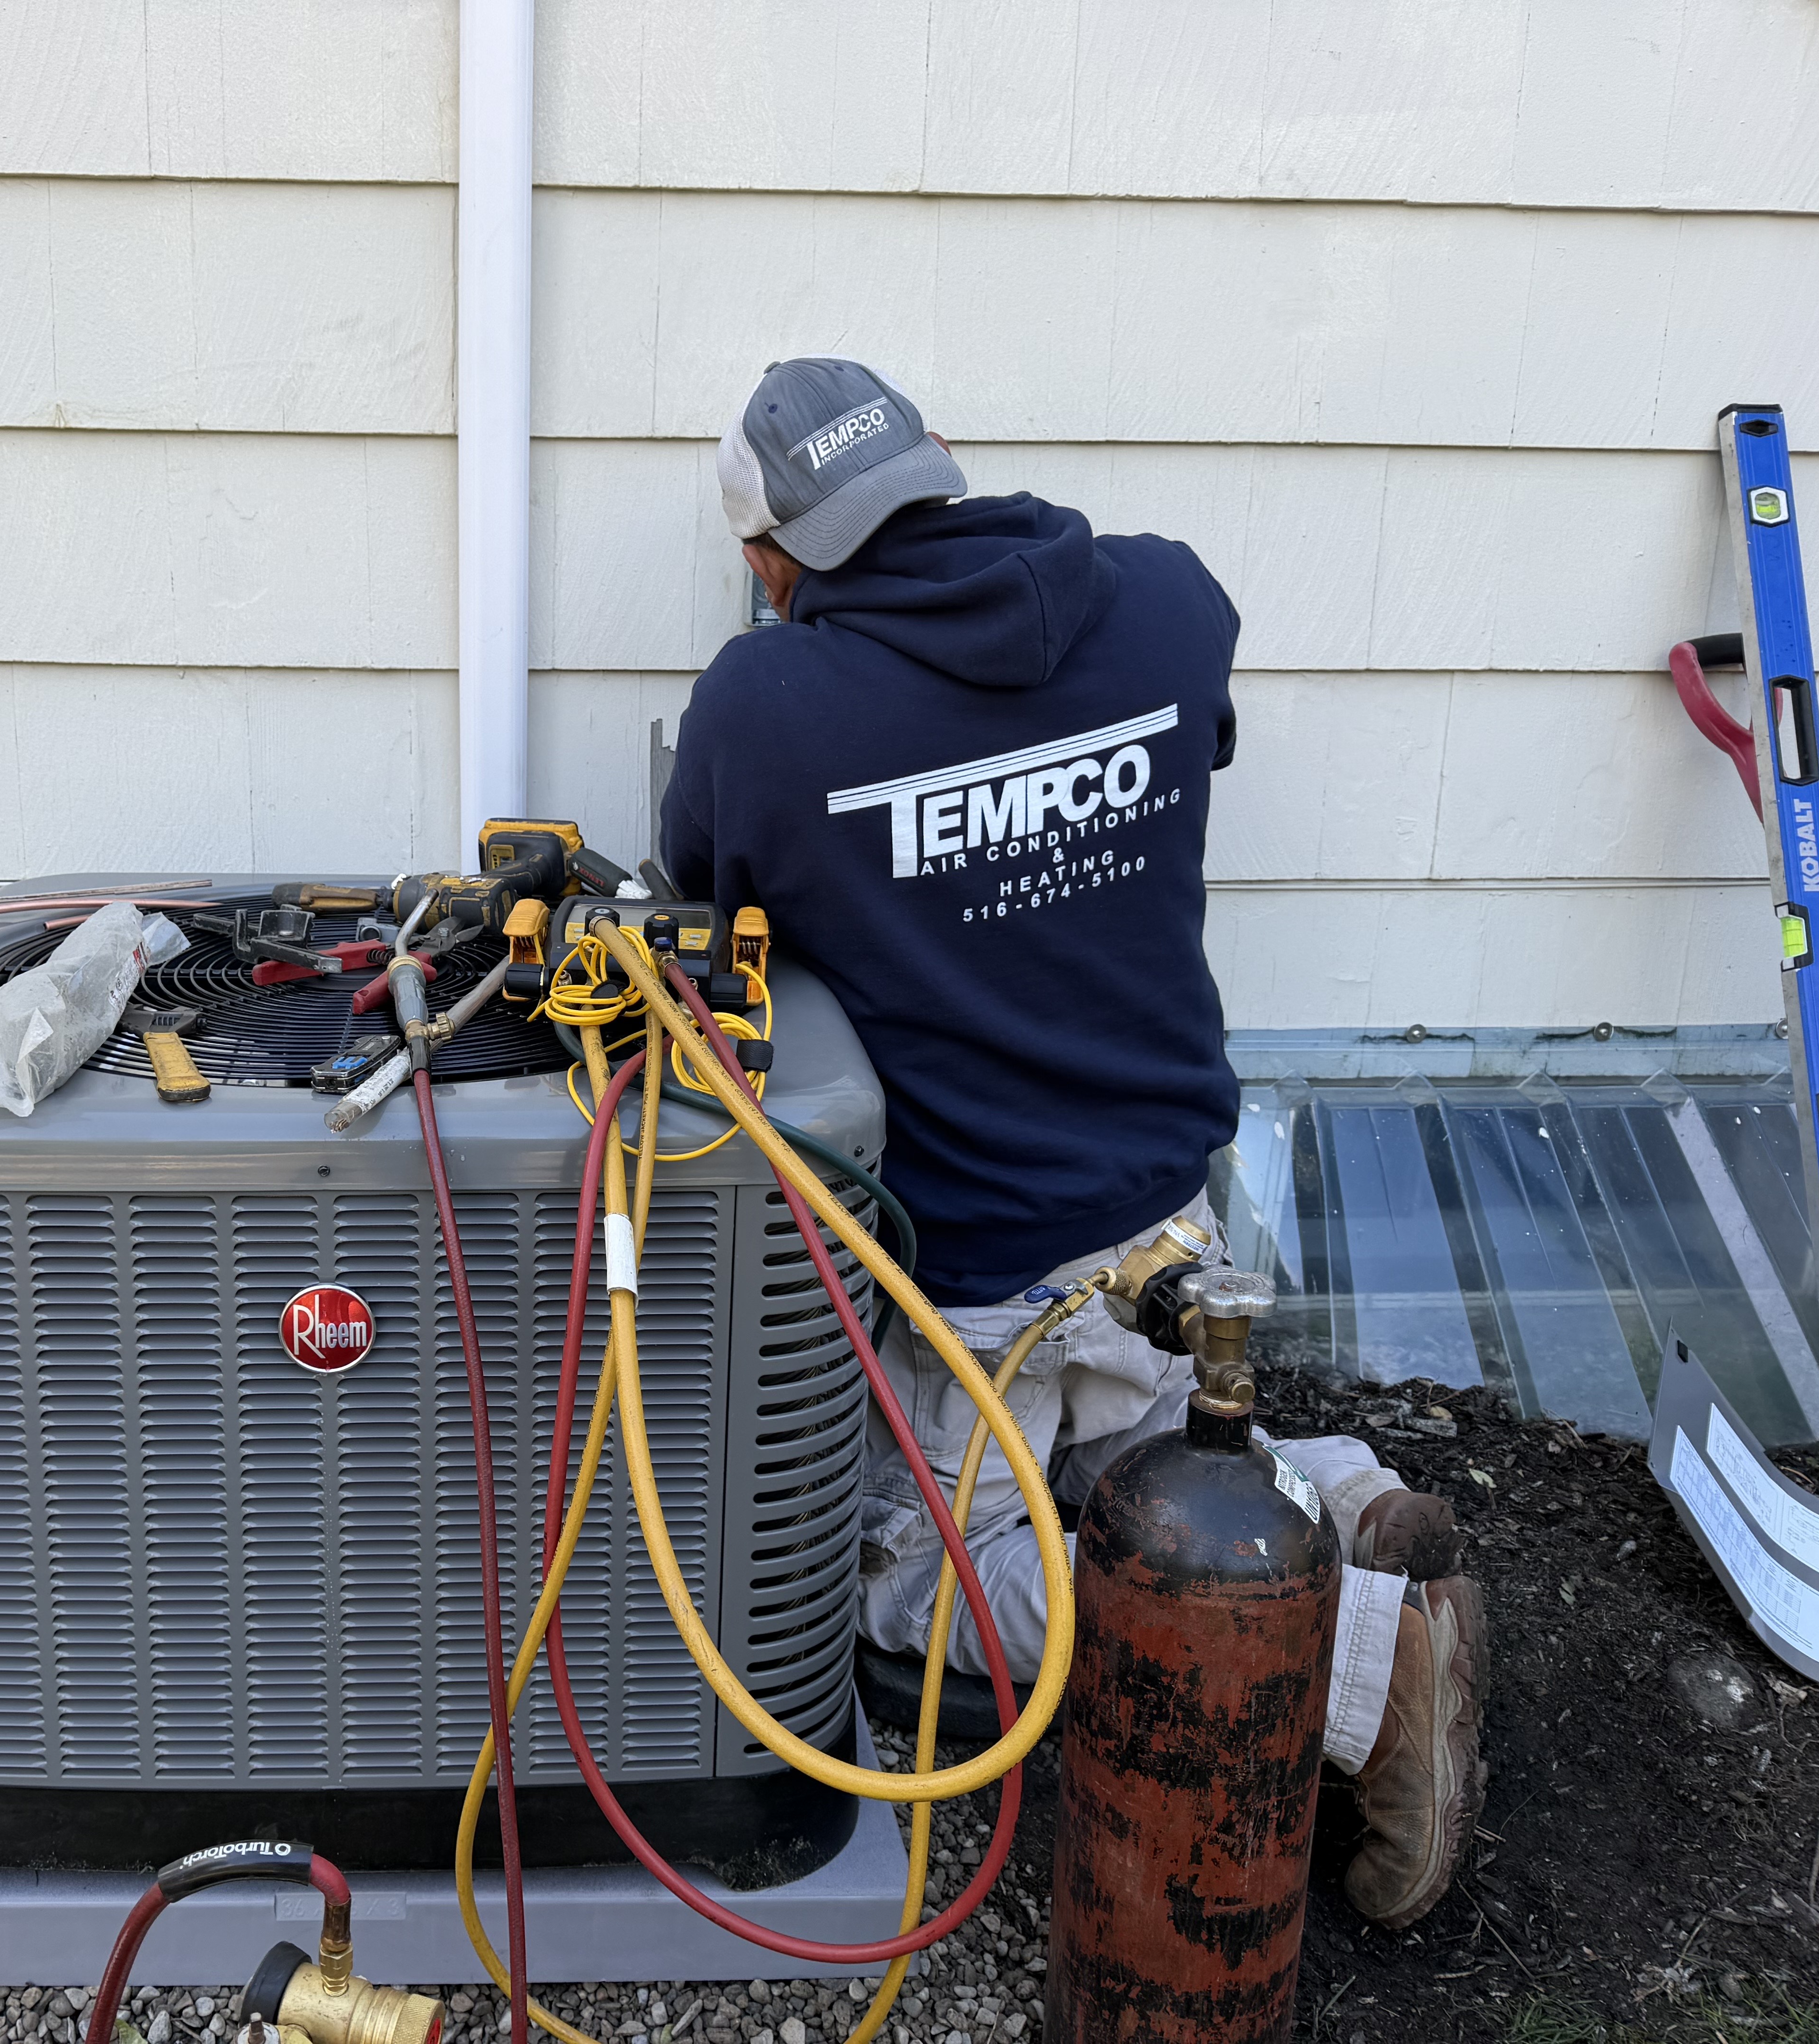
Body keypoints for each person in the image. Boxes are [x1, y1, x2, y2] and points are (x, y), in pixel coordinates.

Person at [658, 356, 1487, 1930]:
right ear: (938, 474)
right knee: (1139, 1467)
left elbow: (705, 902)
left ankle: (1369, 1668)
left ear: (775, 562)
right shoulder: (1167, 604)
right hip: (1170, 1223)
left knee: (911, 1589)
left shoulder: (764, 709)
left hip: (979, 1283)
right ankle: (1346, 1495)